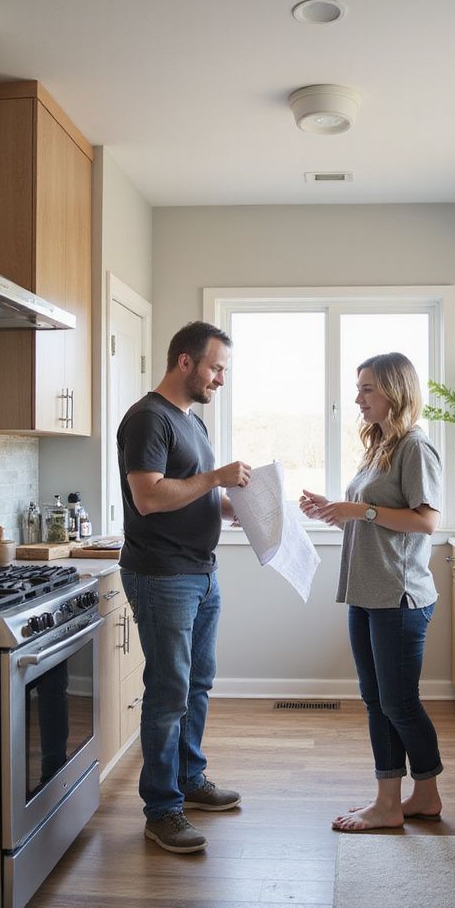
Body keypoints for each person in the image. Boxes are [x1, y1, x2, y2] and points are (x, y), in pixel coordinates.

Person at [117, 321, 251, 853]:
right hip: (162, 575)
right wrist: (216, 480)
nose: (220, 379)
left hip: (200, 571)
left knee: (197, 682)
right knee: (169, 690)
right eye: (216, 368)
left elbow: (186, 492)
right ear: (185, 363)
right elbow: (149, 497)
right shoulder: (148, 418)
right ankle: (162, 809)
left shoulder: (190, 421)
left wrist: (229, 506)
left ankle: (190, 781)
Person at [299, 352, 443, 832]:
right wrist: (334, 508)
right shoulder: (381, 444)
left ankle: (408, 798)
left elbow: (426, 521)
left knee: (398, 702)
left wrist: (359, 512)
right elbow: (370, 512)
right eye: (358, 388)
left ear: (394, 392)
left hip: (399, 597)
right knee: (377, 699)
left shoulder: (415, 448)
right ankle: (404, 798)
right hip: (366, 592)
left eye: (367, 389)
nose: (358, 398)